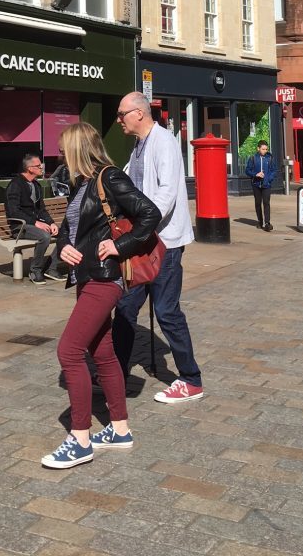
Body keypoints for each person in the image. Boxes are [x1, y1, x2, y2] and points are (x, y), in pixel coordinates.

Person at [42, 122, 160, 469]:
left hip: (105, 279)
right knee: (102, 352)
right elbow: (68, 229)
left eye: (64, 148)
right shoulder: (81, 184)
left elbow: (149, 213)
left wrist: (119, 244)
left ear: (78, 147)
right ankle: (119, 429)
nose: (59, 153)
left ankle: (80, 439)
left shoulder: (109, 178)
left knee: (69, 352)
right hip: (86, 276)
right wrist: (63, 247)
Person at [112, 92, 203, 406]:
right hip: (141, 243)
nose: (118, 119)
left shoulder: (163, 142)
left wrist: (141, 228)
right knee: (124, 308)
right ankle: (116, 375)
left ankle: (191, 379)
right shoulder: (139, 146)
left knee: (166, 311)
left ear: (138, 113)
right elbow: (125, 186)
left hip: (164, 244)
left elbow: (165, 195)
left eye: (122, 113)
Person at [5, 154, 63, 283]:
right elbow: (13, 212)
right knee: (45, 237)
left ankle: (51, 268)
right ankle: (35, 270)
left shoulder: (36, 185)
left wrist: (51, 222)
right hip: (19, 227)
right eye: (38, 166)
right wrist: (35, 223)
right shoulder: (15, 185)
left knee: (64, 234)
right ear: (30, 168)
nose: (41, 167)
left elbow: (41, 209)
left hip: (33, 224)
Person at [245, 140, 277, 231]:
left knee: (266, 203)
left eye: (266, 149)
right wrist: (256, 174)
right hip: (256, 184)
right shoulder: (253, 158)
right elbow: (247, 170)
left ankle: (267, 223)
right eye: (263, 149)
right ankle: (260, 221)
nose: (265, 151)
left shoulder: (270, 158)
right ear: (258, 148)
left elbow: (274, 170)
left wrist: (269, 179)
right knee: (258, 203)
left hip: (267, 184)